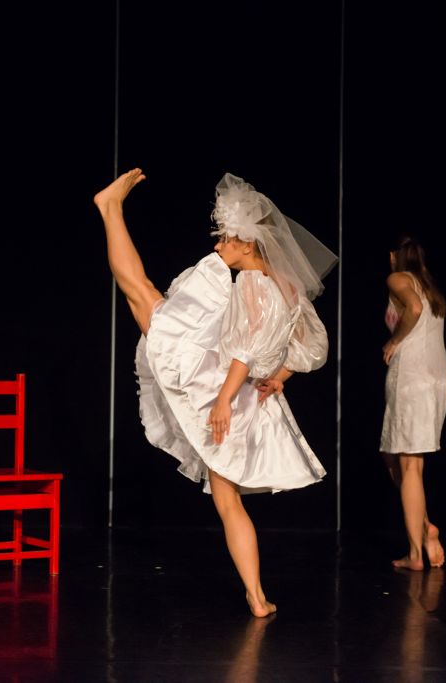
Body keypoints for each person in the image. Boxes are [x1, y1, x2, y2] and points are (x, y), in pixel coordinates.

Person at [93, 168, 336, 617]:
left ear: (248, 244)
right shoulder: (289, 288)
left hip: (219, 384)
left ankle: (110, 209)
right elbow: (312, 345)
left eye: (225, 239)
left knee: (140, 293)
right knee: (228, 502)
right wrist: (281, 377)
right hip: (246, 396)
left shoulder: (252, 283)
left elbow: (244, 347)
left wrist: (222, 399)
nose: (218, 246)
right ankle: (256, 596)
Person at [380, 236, 446, 571]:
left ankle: (415, 553)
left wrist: (394, 341)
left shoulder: (397, 278)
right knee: (394, 456)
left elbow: (414, 309)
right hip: (439, 378)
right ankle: (424, 526)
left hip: (413, 377)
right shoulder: (428, 284)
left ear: (394, 256)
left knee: (410, 465)